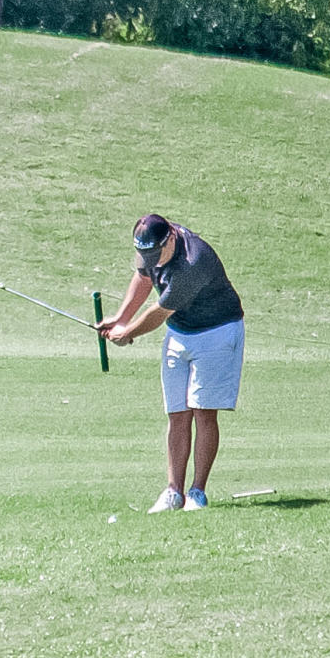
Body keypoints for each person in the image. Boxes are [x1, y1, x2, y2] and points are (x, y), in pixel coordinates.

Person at [101, 213, 243, 512]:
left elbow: (159, 311)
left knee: (203, 412)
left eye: (155, 254)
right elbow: (142, 278)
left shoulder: (194, 261)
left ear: (172, 239)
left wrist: (127, 334)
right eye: (145, 255)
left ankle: (197, 493)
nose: (150, 261)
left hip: (216, 332)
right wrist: (121, 317)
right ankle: (173, 492)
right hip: (180, 333)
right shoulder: (150, 248)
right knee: (177, 413)